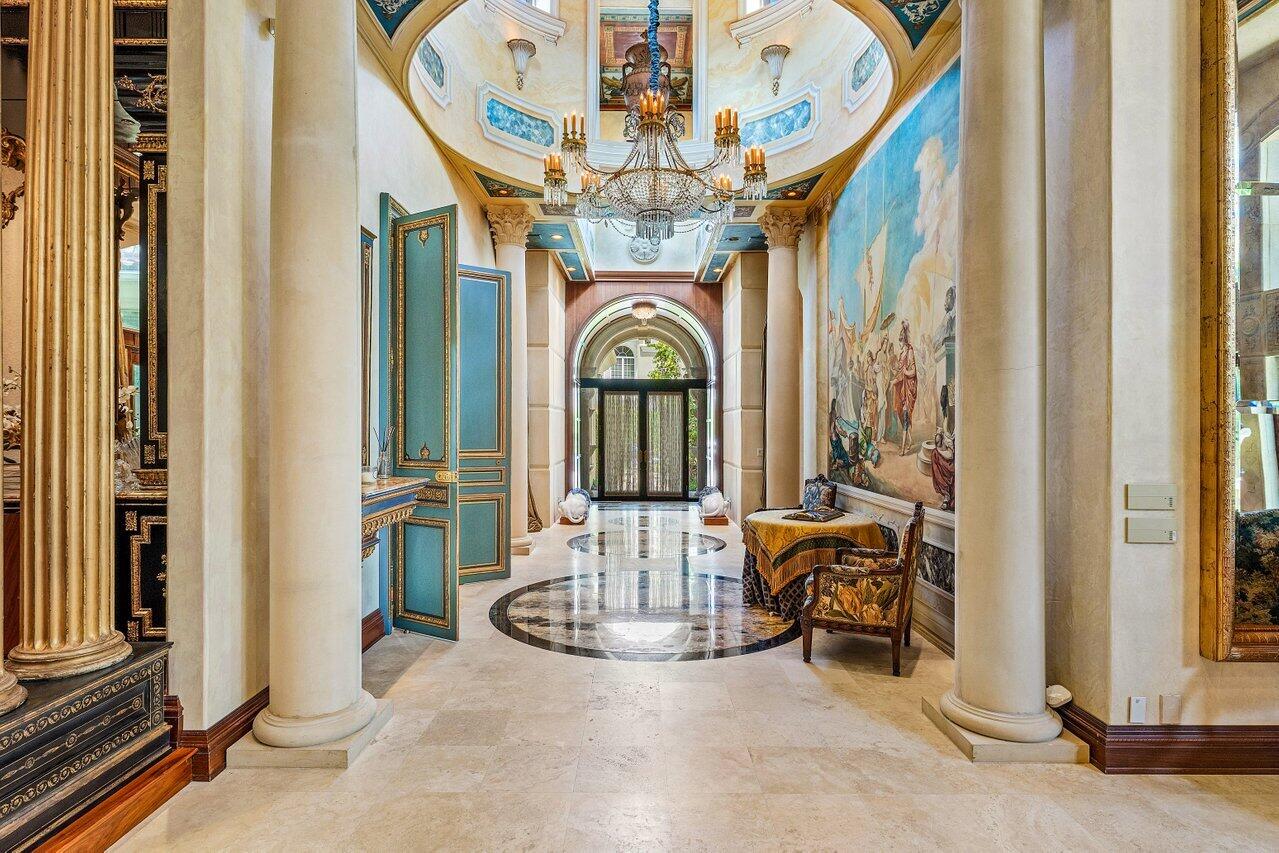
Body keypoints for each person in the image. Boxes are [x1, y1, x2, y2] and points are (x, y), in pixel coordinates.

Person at [891, 321, 918, 454]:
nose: (899, 343)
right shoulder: (902, 353)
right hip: (902, 389)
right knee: (903, 415)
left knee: (906, 417)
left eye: (901, 340)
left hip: (908, 389)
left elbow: (912, 371)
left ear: (904, 340)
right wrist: (896, 373)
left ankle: (902, 449)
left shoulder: (910, 351)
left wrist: (905, 372)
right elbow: (899, 372)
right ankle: (910, 440)